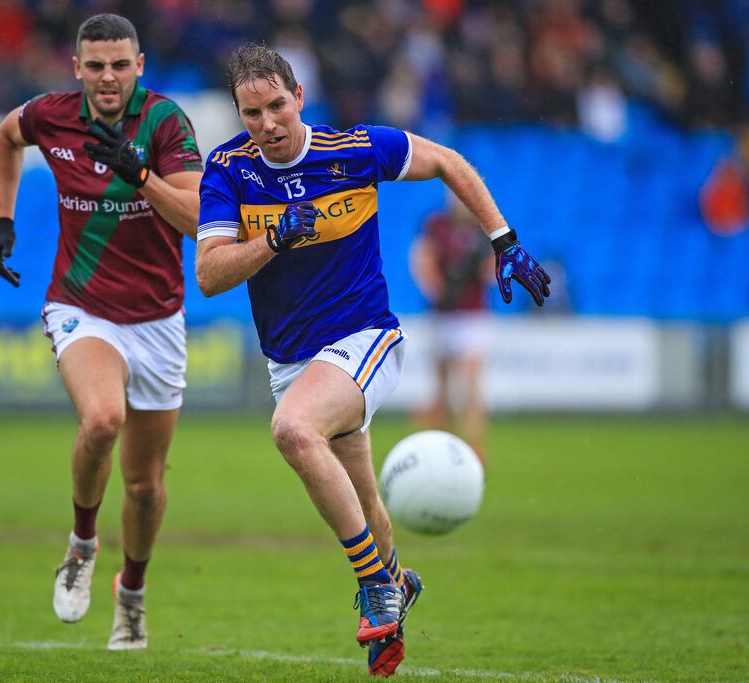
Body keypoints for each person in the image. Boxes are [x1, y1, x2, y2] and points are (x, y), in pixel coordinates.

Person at [194, 44, 550, 677]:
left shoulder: (354, 149)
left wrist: (504, 241)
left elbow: (446, 161)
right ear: (238, 113)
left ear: (299, 95)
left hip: (366, 339)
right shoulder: (228, 171)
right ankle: (395, 583)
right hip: (292, 362)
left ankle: (375, 586)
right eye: (253, 113)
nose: (269, 124)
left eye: (278, 105)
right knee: (364, 500)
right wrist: (274, 237)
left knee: (294, 431)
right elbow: (210, 275)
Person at [0, 14, 203, 650]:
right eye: (96, 66)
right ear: (76, 68)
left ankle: (130, 594)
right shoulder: (52, 116)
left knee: (144, 488)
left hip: (158, 319)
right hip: (82, 307)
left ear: (139, 67)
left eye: (120, 65)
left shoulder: (166, 123)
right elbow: (5, 137)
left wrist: (141, 175)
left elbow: (196, 220)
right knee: (102, 418)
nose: (108, 77)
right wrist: (3, 220)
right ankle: (82, 544)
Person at [408, 193, 494, 463]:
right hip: (443, 315)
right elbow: (422, 258)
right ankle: (444, 444)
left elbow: (493, 270)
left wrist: (479, 266)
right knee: (442, 385)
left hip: (472, 316)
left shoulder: (484, 227)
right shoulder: (436, 224)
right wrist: (437, 289)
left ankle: (474, 444)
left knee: (470, 383)